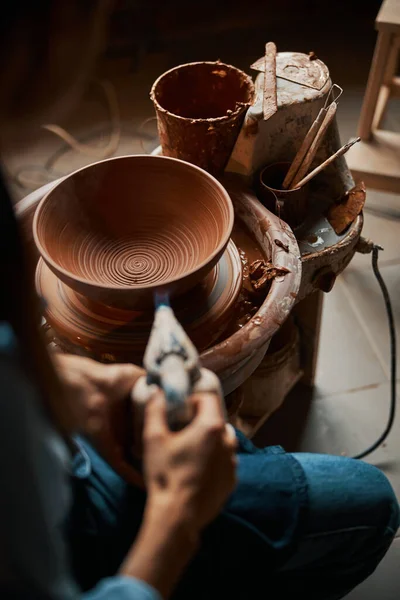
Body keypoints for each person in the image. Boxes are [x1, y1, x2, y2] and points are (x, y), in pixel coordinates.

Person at [0, 2, 399, 600]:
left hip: (54, 445)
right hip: (77, 535)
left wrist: (69, 379)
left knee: (225, 440)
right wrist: (177, 519)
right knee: (372, 506)